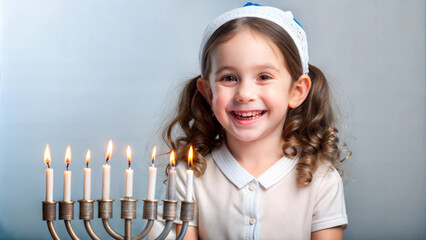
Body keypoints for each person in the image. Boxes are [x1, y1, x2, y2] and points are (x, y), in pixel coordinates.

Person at [149, 3, 350, 240]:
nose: (245, 93)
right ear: (208, 93)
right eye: (229, 78)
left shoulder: (321, 180)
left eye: (264, 77)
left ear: (296, 91)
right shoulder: (187, 177)